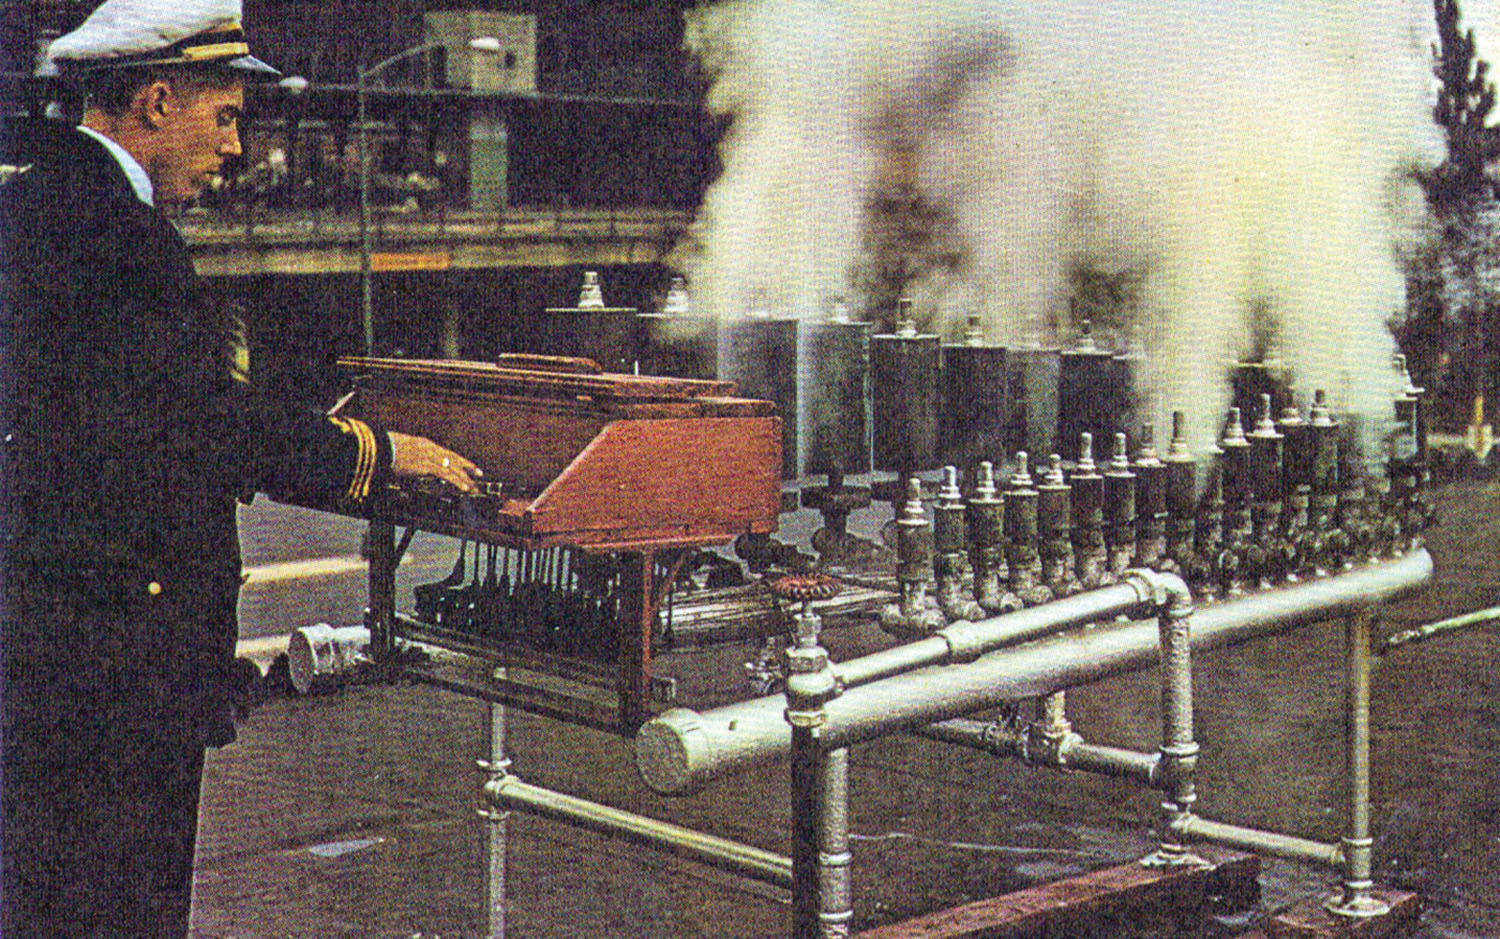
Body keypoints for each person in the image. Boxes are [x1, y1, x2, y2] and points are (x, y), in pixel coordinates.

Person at [0, 1, 482, 936]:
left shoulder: (35, 202)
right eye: (224, 118)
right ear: (155, 98)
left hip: (48, 664)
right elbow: (194, 425)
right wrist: (374, 453)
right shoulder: (111, 235)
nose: (234, 148)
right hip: (113, 680)